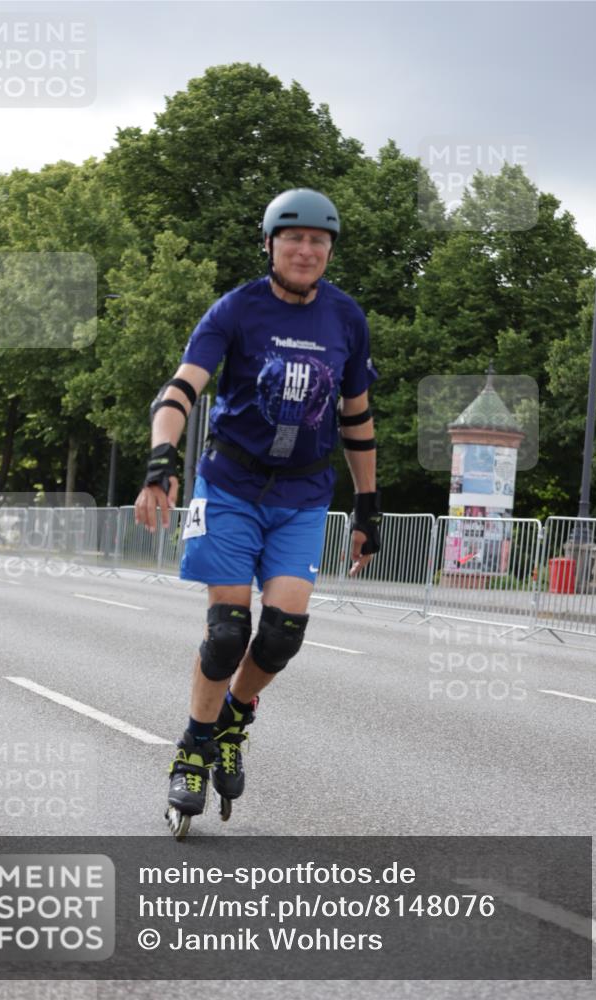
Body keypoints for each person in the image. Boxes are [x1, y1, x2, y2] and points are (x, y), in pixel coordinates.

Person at [134, 188, 382, 832]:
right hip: (232, 488)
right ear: (270, 244)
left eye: (318, 242)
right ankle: (193, 747)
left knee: (282, 634)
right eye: (293, 239)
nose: (306, 250)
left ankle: (233, 718)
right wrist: (161, 459)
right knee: (226, 633)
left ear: (329, 252)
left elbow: (356, 418)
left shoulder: (346, 319)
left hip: (303, 494)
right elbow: (183, 387)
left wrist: (369, 506)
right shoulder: (236, 310)